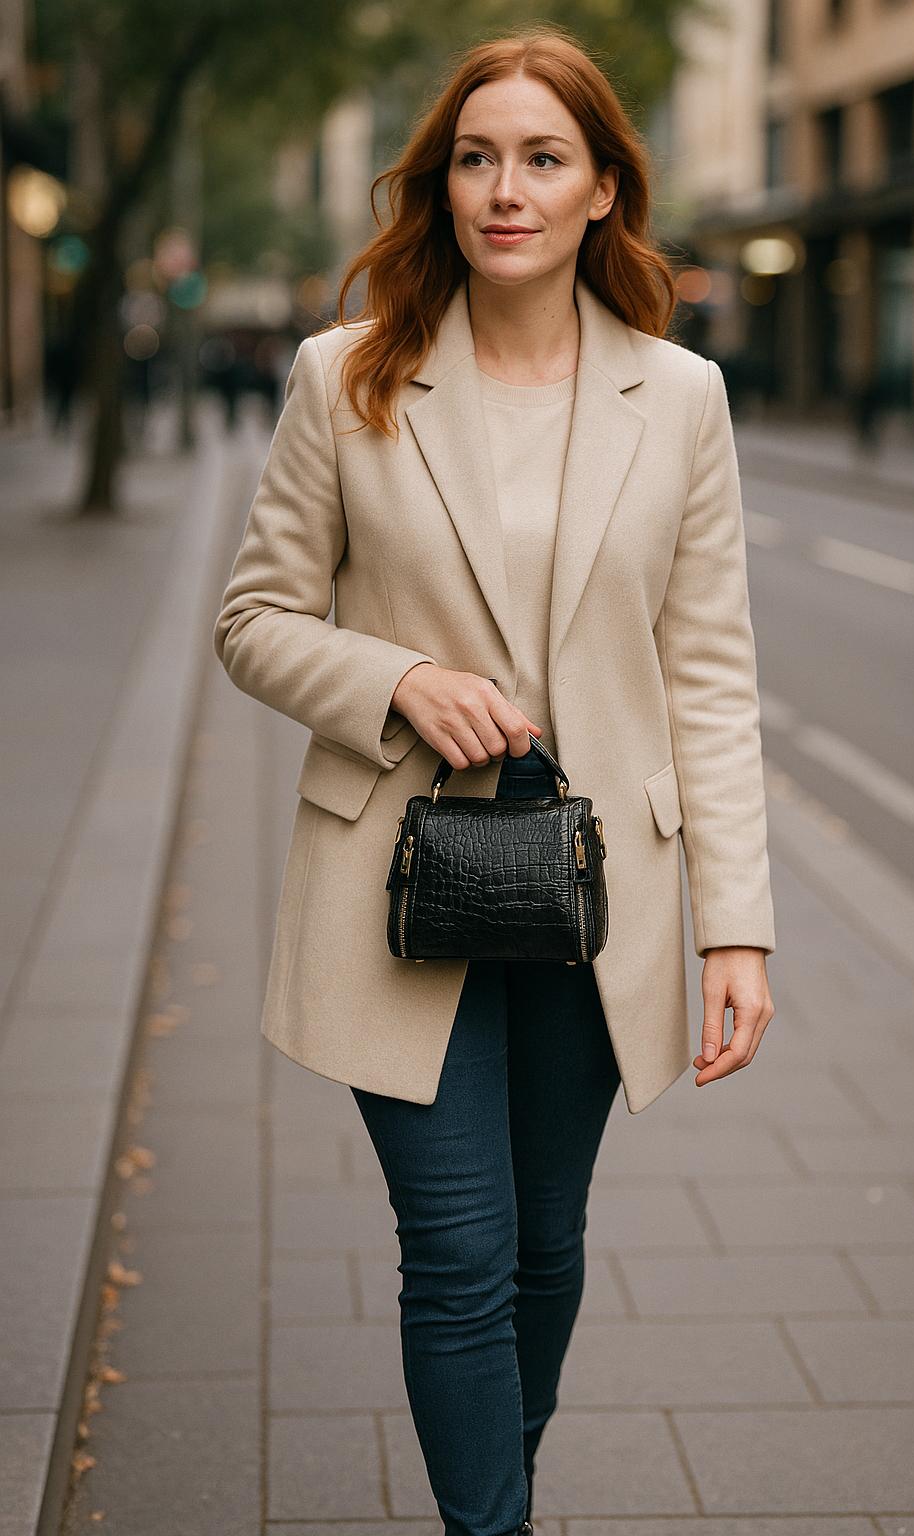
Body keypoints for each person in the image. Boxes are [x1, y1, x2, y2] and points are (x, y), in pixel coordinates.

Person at [213, 26, 776, 1536]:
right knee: (456, 1249)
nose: (502, 190)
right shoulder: (348, 379)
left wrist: (739, 928)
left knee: (543, 1244)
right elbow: (252, 622)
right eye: (475, 157)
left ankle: (496, 1479)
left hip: (605, 891)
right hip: (400, 881)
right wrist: (393, 679)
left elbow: (708, 677)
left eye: (542, 159)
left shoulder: (686, 397)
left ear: (604, 189)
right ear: (441, 182)